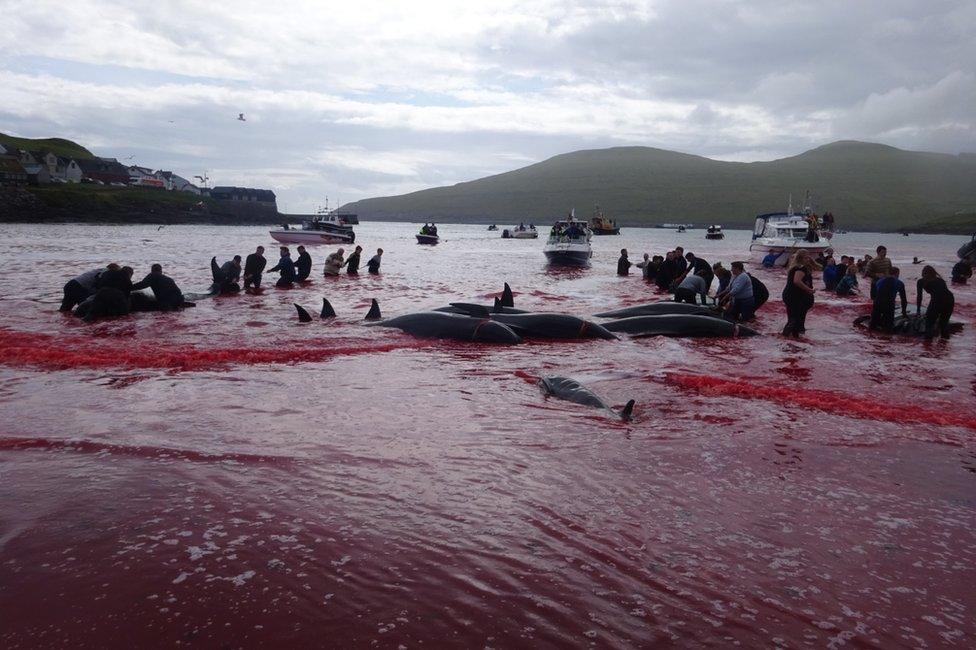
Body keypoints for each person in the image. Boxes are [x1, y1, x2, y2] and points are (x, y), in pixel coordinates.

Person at [782, 251, 815, 337]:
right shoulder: (800, 268)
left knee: (794, 318)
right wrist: (809, 290)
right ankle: (789, 336)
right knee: (795, 319)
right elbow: (797, 281)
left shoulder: (795, 267)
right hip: (795, 297)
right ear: (800, 258)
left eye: (808, 257)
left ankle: (791, 337)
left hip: (792, 295)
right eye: (806, 258)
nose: (808, 259)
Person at [916, 266, 955, 339]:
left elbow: (919, 297)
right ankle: (944, 344)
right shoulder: (940, 280)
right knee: (943, 323)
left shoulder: (921, 281)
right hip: (950, 300)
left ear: (923, 273)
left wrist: (918, 310)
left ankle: (928, 343)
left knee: (929, 322)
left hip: (938, 300)